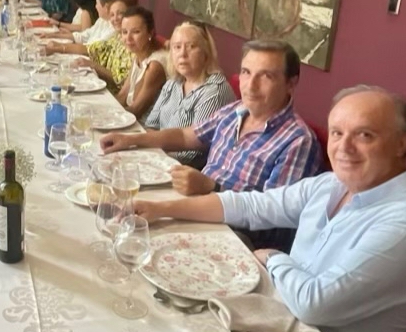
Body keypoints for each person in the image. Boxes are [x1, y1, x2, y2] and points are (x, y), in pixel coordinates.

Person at [134, 86, 406, 332]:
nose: (344, 147)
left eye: (364, 135)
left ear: (403, 143)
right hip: (274, 325)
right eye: (337, 133)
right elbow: (251, 205)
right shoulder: (331, 185)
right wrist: (159, 209)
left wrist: (273, 258)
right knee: (155, 317)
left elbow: (314, 304)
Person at [101, 40, 321, 249]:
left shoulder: (298, 141)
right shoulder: (234, 111)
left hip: (234, 237)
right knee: (117, 219)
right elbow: (185, 136)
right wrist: (131, 139)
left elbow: (274, 220)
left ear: (291, 83)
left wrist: (212, 188)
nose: (251, 86)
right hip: (194, 208)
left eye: (266, 76)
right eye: (246, 72)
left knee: (133, 242)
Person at [145, 21, 236, 169]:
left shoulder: (214, 91)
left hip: (187, 172)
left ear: (206, 53)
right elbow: (151, 124)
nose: (182, 54)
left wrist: (151, 154)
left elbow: (192, 154)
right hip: (159, 159)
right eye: (177, 47)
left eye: (191, 46)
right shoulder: (172, 83)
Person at [71, 0, 136, 93]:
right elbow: (92, 49)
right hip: (103, 89)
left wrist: (92, 65)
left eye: (120, 13)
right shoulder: (117, 38)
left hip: (111, 96)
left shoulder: (132, 45)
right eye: (112, 15)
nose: (115, 19)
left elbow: (119, 80)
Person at [115, 6, 168, 121]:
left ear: (150, 33)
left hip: (145, 128)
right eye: (124, 32)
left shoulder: (155, 65)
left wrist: (106, 116)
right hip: (130, 119)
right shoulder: (139, 55)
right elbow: (123, 95)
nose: (128, 38)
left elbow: (137, 110)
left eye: (136, 32)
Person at [42, 0, 124, 49]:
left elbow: (91, 48)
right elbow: (85, 35)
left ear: (106, 7)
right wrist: (54, 35)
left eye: (97, 3)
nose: (96, 7)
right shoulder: (102, 21)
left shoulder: (114, 28)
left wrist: (60, 46)